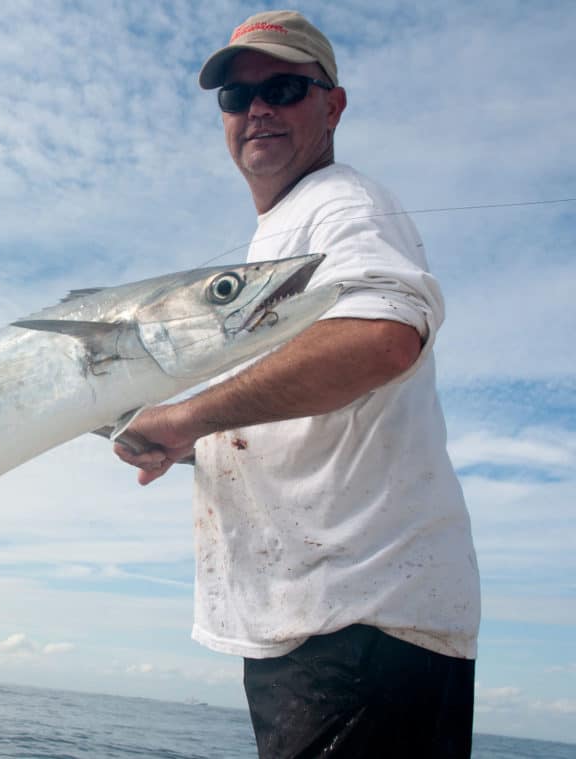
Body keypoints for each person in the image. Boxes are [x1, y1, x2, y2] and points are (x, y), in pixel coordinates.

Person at [113, 10, 480, 758]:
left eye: (282, 87)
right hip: (316, 627)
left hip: (362, 623)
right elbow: (297, 407)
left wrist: (193, 413)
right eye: (236, 98)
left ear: (332, 105)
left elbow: (383, 338)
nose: (258, 111)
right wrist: (190, 439)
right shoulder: (280, 231)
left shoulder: (341, 204)